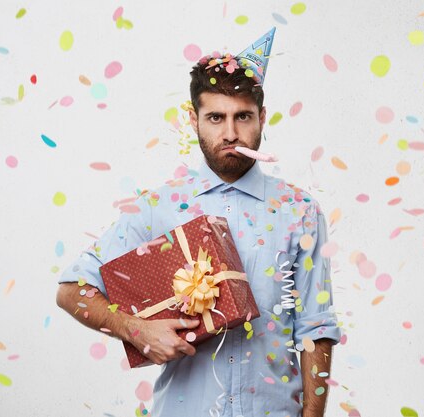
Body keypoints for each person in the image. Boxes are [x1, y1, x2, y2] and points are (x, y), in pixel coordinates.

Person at [56, 28, 341, 417]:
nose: (230, 133)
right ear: (193, 120)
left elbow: (315, 326)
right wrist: (137, 331)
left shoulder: (300, 210)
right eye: (215, 118)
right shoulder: (159, 207)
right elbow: (72, 290)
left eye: (243, 116)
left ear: (262, 117)